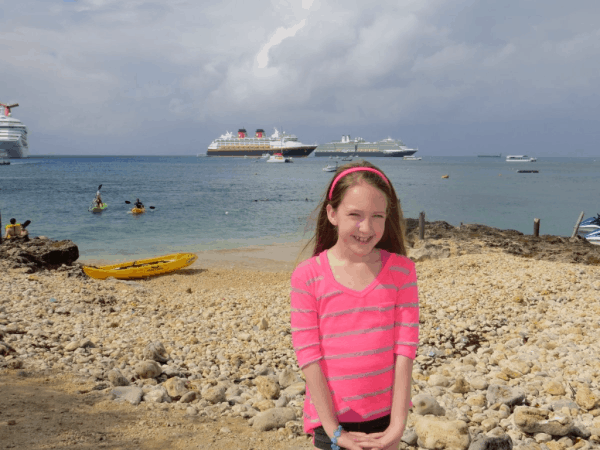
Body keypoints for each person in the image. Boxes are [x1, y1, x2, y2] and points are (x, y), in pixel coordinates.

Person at [291, 161, 419, 450]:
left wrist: (397, 425)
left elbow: (405, 348)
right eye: (354, 215)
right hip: (330, 422)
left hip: (385, 421)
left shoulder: (402, 271)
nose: (366, 227)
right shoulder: (308, 275)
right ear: (332, 213)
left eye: (377, 216)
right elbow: (308, 354)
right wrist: (334, 430)